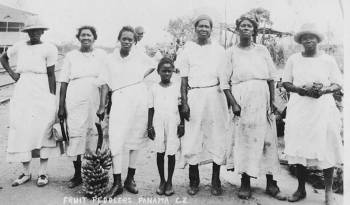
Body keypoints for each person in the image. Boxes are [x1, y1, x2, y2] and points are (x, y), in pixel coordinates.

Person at [220, 14, 285, 200]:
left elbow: (272, 77)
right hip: (242, 98)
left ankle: (271, 183)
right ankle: (245, 182)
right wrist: (234, 104)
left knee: (268, 141)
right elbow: (224, 83)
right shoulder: (230, 52)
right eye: (243, 26)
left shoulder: (262, 50)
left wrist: (273, 101)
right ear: (238, 29)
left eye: (249, 26)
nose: (246, 28)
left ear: (254, 30)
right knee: (245, 141)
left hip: (262, 98)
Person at [282, 23, 343, 205]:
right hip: (300, 107)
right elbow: (286, 82)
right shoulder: (294, 59)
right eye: (304, 38)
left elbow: (337, 83)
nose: (308, 40)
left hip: (322, 108)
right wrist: (299, 89)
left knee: (327, 146)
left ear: (317, 39)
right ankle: (300, 189)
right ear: (301, 41)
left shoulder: (328, 60)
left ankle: (328, 192)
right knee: (300, 147)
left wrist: (323, 90)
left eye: (311, 37)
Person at [0, 16, 59, 187]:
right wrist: (12, 74)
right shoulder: (19, 47)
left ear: (42, 31)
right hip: (23, 88)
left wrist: (52, 97)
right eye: (31, 31)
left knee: (43, 129)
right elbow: (3, 57)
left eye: (37, 30)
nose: (34, 33)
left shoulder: (50, 48)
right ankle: (25, 172)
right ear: (27, 32)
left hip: (42, 89)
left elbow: (51, 74)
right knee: (22, 127)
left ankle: (42, 173)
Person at [97, 26, 155, 198]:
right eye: (125, 38)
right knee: (116, 137)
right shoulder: (110, 59)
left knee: (136, 137)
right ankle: (117, 182)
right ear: (119, 39)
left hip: (138, 98)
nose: (127, 41)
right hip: (120, 99)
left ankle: (130, 179)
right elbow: (104, 83)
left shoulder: (139, 56)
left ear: (134, 41)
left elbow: (153, 66)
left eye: (131, 39)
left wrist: (137, 79)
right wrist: (102, 106)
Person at [175, 14, 229, 196]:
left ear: (211, 30)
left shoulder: (220, 50)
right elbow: (183, 80)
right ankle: (194, 180)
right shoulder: (187, 50)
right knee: (193, 137)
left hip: (215, 96)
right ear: (195, 29)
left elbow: (225, 79)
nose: (203, 29)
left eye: (207, 26)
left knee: (216, 136)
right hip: (195, 95)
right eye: (200, 26)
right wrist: (184, 103)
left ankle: (215, 180)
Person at [58, 26, 107, 188]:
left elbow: (105, 80)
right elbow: (64, 81)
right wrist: (61, 106)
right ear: (78, 38)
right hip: (75, 97)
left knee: (95, 133)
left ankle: (94, 173)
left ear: (94, 37)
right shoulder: (71, 56)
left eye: (89, 35)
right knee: (76, 132)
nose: (86, 37)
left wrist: (103, 104)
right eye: (83, 35)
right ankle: (78, 174)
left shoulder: (101, 55)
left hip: (94, 96)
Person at [147, 57, 185, 196]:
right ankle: (162, 180)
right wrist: (149, 125)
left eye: (169, 71)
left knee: (171, 152)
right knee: (160, 151)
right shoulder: (153, 88)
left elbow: (181, 107)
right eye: (164, 71)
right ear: (158, 72)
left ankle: (169, 181)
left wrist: (182, 124)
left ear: (173, 72)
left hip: (173, 121)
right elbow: (150, 108)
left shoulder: (177, 87)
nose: (167, 74)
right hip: (158, 121)